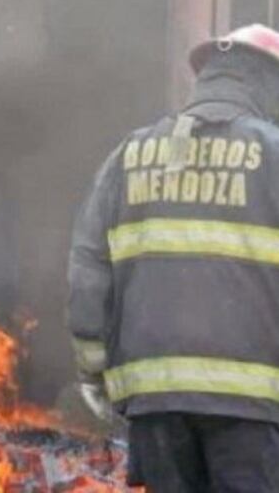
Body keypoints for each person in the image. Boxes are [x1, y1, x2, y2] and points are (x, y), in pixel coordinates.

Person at [68, 24, 279, 492]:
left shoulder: (128, 156)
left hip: (155, 402)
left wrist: (92, 372)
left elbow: (88, 271)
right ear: (266, 83)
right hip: (251, 411)